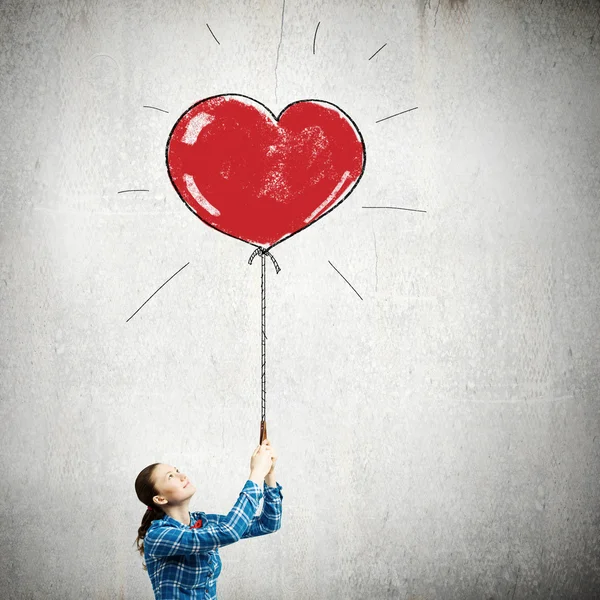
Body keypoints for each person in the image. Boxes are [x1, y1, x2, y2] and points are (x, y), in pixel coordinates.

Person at [134, 438, 282, 599]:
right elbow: (230, 531)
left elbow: (268, 524)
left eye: (177, 470)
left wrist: (269, 474)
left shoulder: (204, 523)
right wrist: (256, 474)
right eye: (171, 476)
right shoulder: (157, 536)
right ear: (160, 499)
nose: (182, 475)